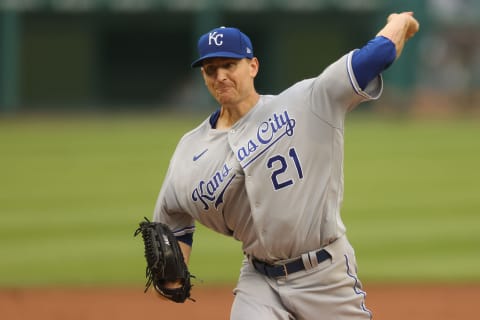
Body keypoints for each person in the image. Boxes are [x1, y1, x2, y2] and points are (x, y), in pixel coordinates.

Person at [152, 12, 419, 319]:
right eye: (211, 69)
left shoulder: (306, 102)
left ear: (253, 66)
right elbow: (172, 219)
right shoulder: (190, 149)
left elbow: (376, 56)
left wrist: (399, 23)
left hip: (324, 275)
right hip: (259, 281)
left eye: (229, 65)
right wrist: (174, 273)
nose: (220, 75)